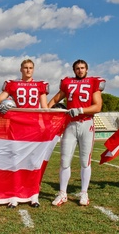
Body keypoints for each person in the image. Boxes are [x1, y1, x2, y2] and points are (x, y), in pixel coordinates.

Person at [48, 59, 105, 207]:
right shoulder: (67, 83)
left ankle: (84, 193)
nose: (80, 70)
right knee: (64, 160)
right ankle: (62, 193)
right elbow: (54, 99)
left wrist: (80, 110)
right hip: (70, 125)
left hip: (86, 123)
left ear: (87, 69)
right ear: (74, 70)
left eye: (82, 68)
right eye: (77, 68)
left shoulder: (93, 82)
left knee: (85, 161)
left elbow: (97, 106)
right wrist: (46, 112)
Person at [0, 59, 49, 208]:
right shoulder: (13, 84)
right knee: (15, 161)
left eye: (30, 68)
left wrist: (44, 125)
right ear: (21, 69)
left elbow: (44, 108)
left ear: (33, 70)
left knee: (33, 161)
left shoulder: (40, 85)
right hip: (17, 126)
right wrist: (1, 108)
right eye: (25, 68)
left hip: (34, 126)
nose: (28, 70)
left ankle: (33, 194)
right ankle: (14, 194)